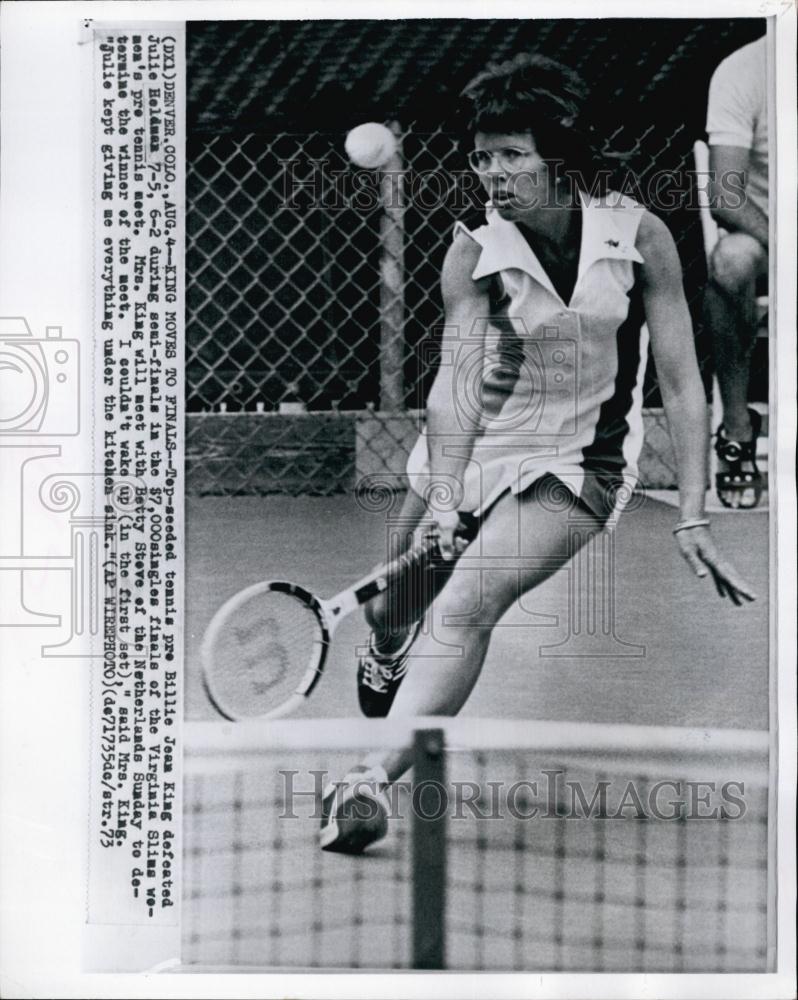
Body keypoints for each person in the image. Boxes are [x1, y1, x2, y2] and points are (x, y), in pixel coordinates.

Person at [320, 54, 755, 854]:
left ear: (559, 155)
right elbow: (454, 389)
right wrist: (447, 496)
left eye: (514, 154)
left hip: (581, 462)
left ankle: (366, 782)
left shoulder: (638, 234)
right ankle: (386, 651)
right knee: (395, 607)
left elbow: (682, 382)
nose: (495, 172)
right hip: (480, 439)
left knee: (464, 607)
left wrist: (692, 510)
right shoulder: (473, 250)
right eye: (483, 156)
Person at [704, 35, 768, 508]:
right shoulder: (743, 70)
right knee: (730, 261)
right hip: (770, 241)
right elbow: (726, 200)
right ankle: (738, 430)